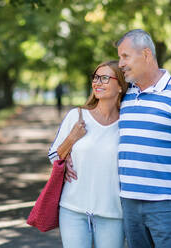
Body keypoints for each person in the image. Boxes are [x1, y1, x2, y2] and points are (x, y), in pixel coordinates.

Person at [65, 29, 171, 248]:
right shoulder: (127, 96)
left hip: (165, 205)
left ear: (146, 54)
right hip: (128, 204)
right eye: (120, 57)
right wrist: (70, 154)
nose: (120, 64)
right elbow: (100, 128)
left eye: (125, 56)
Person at [48, 60, 128, 248]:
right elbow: (54, 156)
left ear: (120, 86)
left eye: (105, 78)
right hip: (73, 209)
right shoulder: (77, 116)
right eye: (96, 77)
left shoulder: (128, 123)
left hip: (113, 213)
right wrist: (71, 139)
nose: (97, 82)